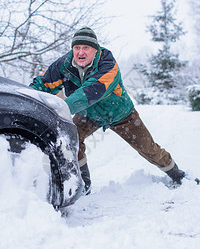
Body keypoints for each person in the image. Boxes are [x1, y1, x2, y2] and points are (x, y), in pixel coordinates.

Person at [30, 27, 185, 195]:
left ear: (95, 50)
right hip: (88, 114)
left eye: (86, 48)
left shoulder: (108, 64)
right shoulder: (64, 65)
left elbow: (91, 91)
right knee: (71, 138)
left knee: (148, 147)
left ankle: (177, 175)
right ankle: (84, 184)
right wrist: (26, 99)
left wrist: (62, 109)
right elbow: (43, 84)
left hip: (121, 114)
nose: (81, 52)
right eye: (77, 48)